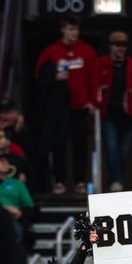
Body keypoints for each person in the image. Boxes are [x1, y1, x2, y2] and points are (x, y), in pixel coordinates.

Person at [35, 15, 97, 194]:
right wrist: (54, 77)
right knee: (58, 145)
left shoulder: (87, 51)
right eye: (70, 29)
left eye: (76, 29)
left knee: (80, 145)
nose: (74, 33)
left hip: (80, 105)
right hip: (59, 107)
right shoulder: (51, 51)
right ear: (62, 30)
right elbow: (39, 74)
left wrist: (92, 101)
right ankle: (59, 181)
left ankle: (80, 181)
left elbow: (94, 78)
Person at [94, 31, 132, 192]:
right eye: (117, 45)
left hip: (127, 115)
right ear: (111, 46)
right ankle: (116, 182)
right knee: (112, 150)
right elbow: (95, 86)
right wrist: (96, 103)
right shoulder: (101, 63)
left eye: (123, 46)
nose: (121, 49)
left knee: (123, 152)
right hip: (108, 114)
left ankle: (117, 179)